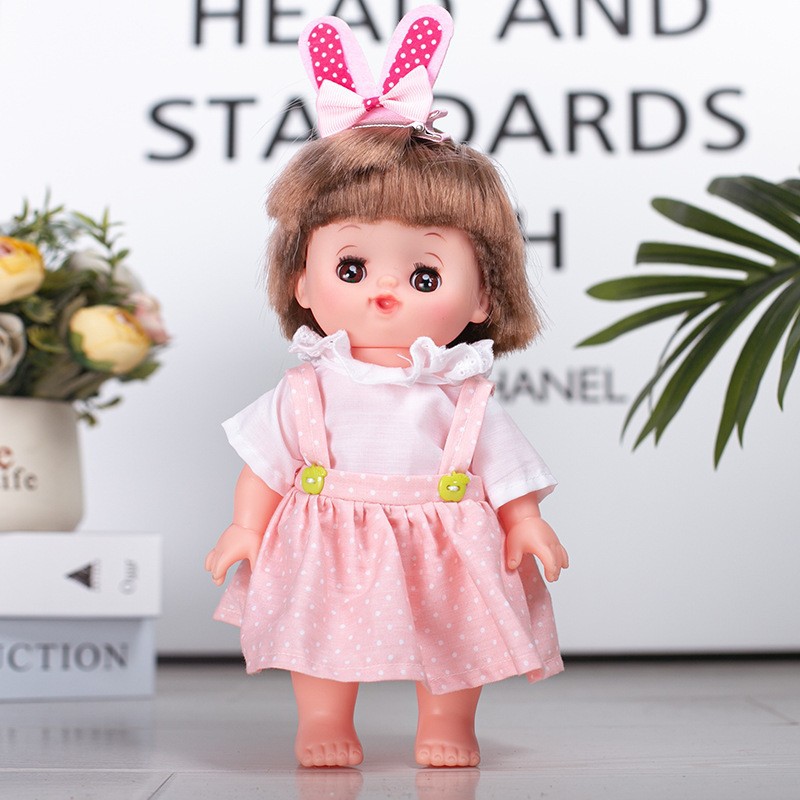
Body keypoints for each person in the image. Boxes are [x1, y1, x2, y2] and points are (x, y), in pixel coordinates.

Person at [205, 5, 569, 769]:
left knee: (456, 635)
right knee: (320, 635)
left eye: (424, 275)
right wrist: (245, 526)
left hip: (444, 537)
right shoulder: (308, 388)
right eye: (352, 266)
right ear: (302, 281)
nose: (385, 291)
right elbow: (266, 465)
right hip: (328, 533)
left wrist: (525, 520)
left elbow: (502, 469)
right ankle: (322, 720)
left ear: (483, 296)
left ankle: (449, 723)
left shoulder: (460, 393)